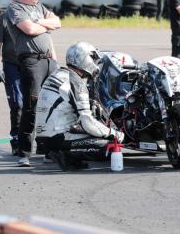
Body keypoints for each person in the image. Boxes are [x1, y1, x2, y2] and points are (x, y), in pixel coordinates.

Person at [35, 42, 125, 171]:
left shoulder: (58, 74)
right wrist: (113, 133)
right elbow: (87, 122)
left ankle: (66, 157)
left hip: (45, 138)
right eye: (93, 58)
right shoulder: (76, 82)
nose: (95, 62)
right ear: (83, 58)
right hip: (58, 138)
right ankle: (65, 155)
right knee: (109, 147)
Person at [5, 0, 61, 167]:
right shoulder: (15, 8)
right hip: (30, 61)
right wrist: (45, 25)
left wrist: (41, 23)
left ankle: (49, 149)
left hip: (48, 61)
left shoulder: (39, 7)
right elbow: (29, 29)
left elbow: (58, 22)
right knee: (31, 106)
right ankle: (24, 153)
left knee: (55, 105)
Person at [0, 0, 23, 155]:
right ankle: (16, 139)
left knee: (34, 104)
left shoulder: (34, 15)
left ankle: (39, 140)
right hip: (11, 65)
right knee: (17, 104)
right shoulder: (3, 18)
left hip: (32, 65)